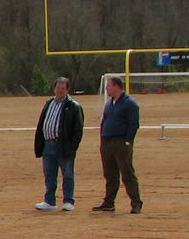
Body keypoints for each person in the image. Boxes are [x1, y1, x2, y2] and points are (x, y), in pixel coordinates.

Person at [33, 77, 84, 212]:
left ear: (67, 90)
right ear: (54, 88)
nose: (60, 90)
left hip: (64, 145)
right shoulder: (48, 103)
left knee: (67, 174)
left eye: (63, 88)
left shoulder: (73, 106)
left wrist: (72, 146)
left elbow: (78, 130)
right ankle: (49, 200)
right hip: (48, 145)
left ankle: (68, 200)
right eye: (58, 87)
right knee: (49, 174)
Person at [94, 74, 143, 213]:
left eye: (108, 86)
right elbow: (104, 121)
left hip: (121, 142)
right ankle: (109, 202)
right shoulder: (109, 103)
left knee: (127, 174)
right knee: (110, 174)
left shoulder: (130, 103)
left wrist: (127, 141)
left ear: (116, 86)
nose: (106, 89)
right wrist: (102, 140)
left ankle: (136, 203)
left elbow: (133, 124)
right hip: (107, 142)